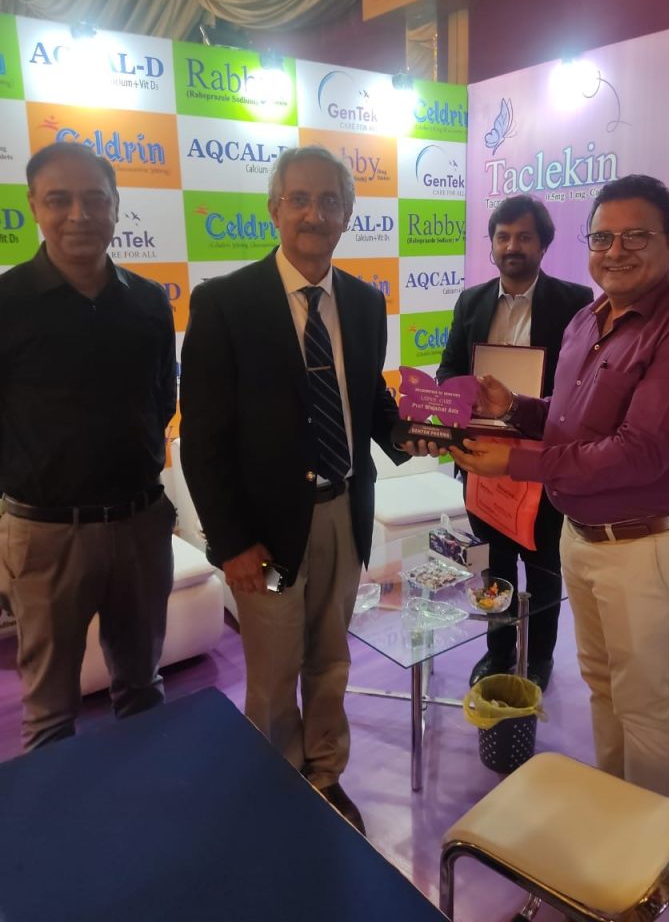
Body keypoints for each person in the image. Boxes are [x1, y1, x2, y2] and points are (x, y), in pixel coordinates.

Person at [451, 174, 669, 796]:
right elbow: (569, 418)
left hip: (648, 548)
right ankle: (612, 807)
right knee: (603, 687)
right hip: (582, 537)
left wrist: (516, 463)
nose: (616, 251)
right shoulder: (590, 318)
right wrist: (516, 408)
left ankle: (642, 839)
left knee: (644, 706)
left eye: (636, 236)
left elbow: (640, 452)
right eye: (603, 237)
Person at [179, 145, 407, 835]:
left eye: (330, 201)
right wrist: (231, 543)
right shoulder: (225, 302)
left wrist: (420, 435)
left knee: (332, 660)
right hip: (267, 532)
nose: (314, 214)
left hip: (343, 514)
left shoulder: (364, 302)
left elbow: (368, 401)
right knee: (275, 671)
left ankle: (326, 776)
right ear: (274, 209)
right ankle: (278, 789)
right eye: (300, 199)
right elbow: (203, 439)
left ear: (347, 215)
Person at [0, 141, 177, 752]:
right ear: (33, 206)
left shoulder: (149, 300)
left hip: (140, 527)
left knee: (144, 691)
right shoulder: (6, 303)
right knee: (50, 714)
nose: (79, 214)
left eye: (94, 199)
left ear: (115, 205)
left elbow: (163, 399)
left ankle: (147, 806)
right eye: (59, 200)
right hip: (47, 536)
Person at [438, 196, 592, 690]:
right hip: (482, 460)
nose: (512, 246)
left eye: (524, 237)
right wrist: (459, 400)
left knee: (544, 569)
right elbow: (448, 369)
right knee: (495, 566)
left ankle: (539, 658)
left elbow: (582, 385)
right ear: (491, 245)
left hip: (541, 459)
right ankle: (498, 651)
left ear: (543, 245)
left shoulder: (576, 301)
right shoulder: (471, 301)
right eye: (503, 237)